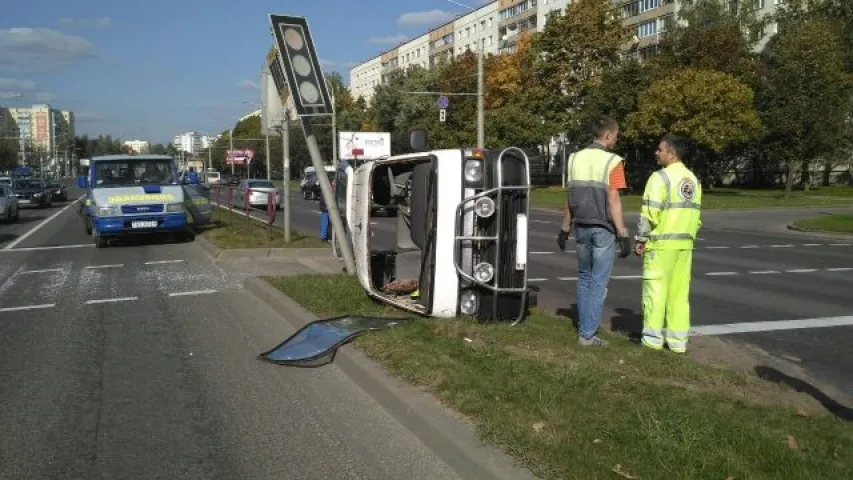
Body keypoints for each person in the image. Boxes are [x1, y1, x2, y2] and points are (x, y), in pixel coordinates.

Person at [557, 116, 632, 347]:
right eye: (615, 137)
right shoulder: (613, 161)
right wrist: (622, 232)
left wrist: (565, 227)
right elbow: (613, 199)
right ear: (608, 136)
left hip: (581, 225)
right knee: (598, 282)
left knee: (584, 278)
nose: (615, 141)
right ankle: (587, 334)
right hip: (603, 227)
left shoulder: (574, 158)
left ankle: (584, 327)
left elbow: (570, 196)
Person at [633, 133, 703, 354]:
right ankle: (678, 341)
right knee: (679, 296)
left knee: (655, 292)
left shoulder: (659, 178)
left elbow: (650, 213)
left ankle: (652, 340)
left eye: (660, 150)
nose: (656, 153)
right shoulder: (693, 180)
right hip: (685, 246)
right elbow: (696, 216)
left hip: (661, 245)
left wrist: (641, 239)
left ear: (671, 154)